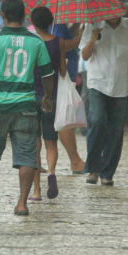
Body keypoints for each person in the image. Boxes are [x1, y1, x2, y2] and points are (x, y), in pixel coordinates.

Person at [0, 0, 54, 216]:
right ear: (24, 16)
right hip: (25, 106)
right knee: (26, 155)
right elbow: (48, 74)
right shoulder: (36, 41)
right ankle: (22, 203)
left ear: (3, 15)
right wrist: (48, 96)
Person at [80, 15, 128, 186]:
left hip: (122, 85)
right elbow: (85, 56)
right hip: (97, 83)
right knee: (97, 120)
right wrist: (93, 39)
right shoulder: (92, 24)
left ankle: (107, 172)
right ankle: (93, 169)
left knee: (116, 129)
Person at [29, 7, 82, 201]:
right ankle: (51, 172)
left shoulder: (30, 42)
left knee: (35, 144)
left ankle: (36, 191)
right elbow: (61, 71)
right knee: (51, 142)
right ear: (51, 22)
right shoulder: (58, 42)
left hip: (31, 97)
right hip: (52, 98)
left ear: (33, 22)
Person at [51, 23, 87, 174]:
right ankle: (75, 161)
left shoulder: (59, 24)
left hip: (60, 76)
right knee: (64, 118)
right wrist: (80, 38)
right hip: (60, 76)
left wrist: (76, 28)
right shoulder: (57, 22)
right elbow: (60, 45)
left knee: (53, 118)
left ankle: (36, 162)